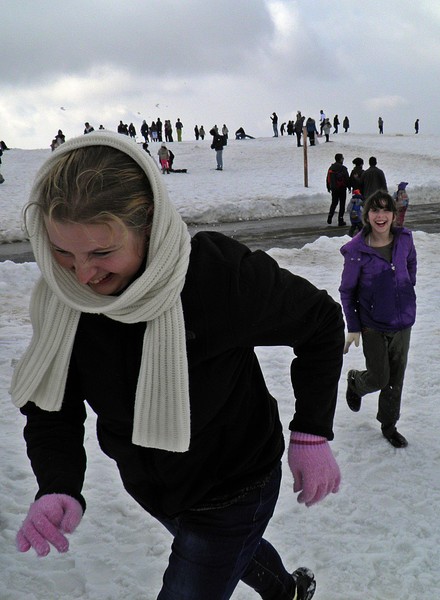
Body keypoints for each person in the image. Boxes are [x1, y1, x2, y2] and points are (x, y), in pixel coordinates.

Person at [11, 131, 344, 600]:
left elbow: (320, 323)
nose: (82, 275)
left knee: (206, 563)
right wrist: (57, 482)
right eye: (62, 252)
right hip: (153, 487)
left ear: (149, 225)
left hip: (235, 485)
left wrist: (311, 431)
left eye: (102, 253)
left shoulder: (216, 277)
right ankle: (287, 591)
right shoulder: (62, 300)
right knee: (230, 553)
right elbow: (53, 404)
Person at [339, 190, 417, 448]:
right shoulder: (355, 251)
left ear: (394, 215)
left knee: (396, 380)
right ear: (367, 215)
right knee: (379, 377)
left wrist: (405, 289)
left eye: (386, 210)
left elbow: (411, 264)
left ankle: (389, 425)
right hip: (372, 324)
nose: (380, 216)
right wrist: (353, 326)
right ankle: (356, 382)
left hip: (403, 321)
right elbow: (347, 291)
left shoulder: (405, 239)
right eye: (375, 210)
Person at [326, 153, 350, 226]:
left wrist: (328, 187)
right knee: (342, 204)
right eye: (342, 158)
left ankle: (330, 216)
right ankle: (340, 219)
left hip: (334, 188)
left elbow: (328, 178)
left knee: (334, 203)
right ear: (340, 159)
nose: (343, 159)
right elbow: (347, 178)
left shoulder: (331, 167)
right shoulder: (343, 168)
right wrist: (349, 187)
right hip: (342, 188)